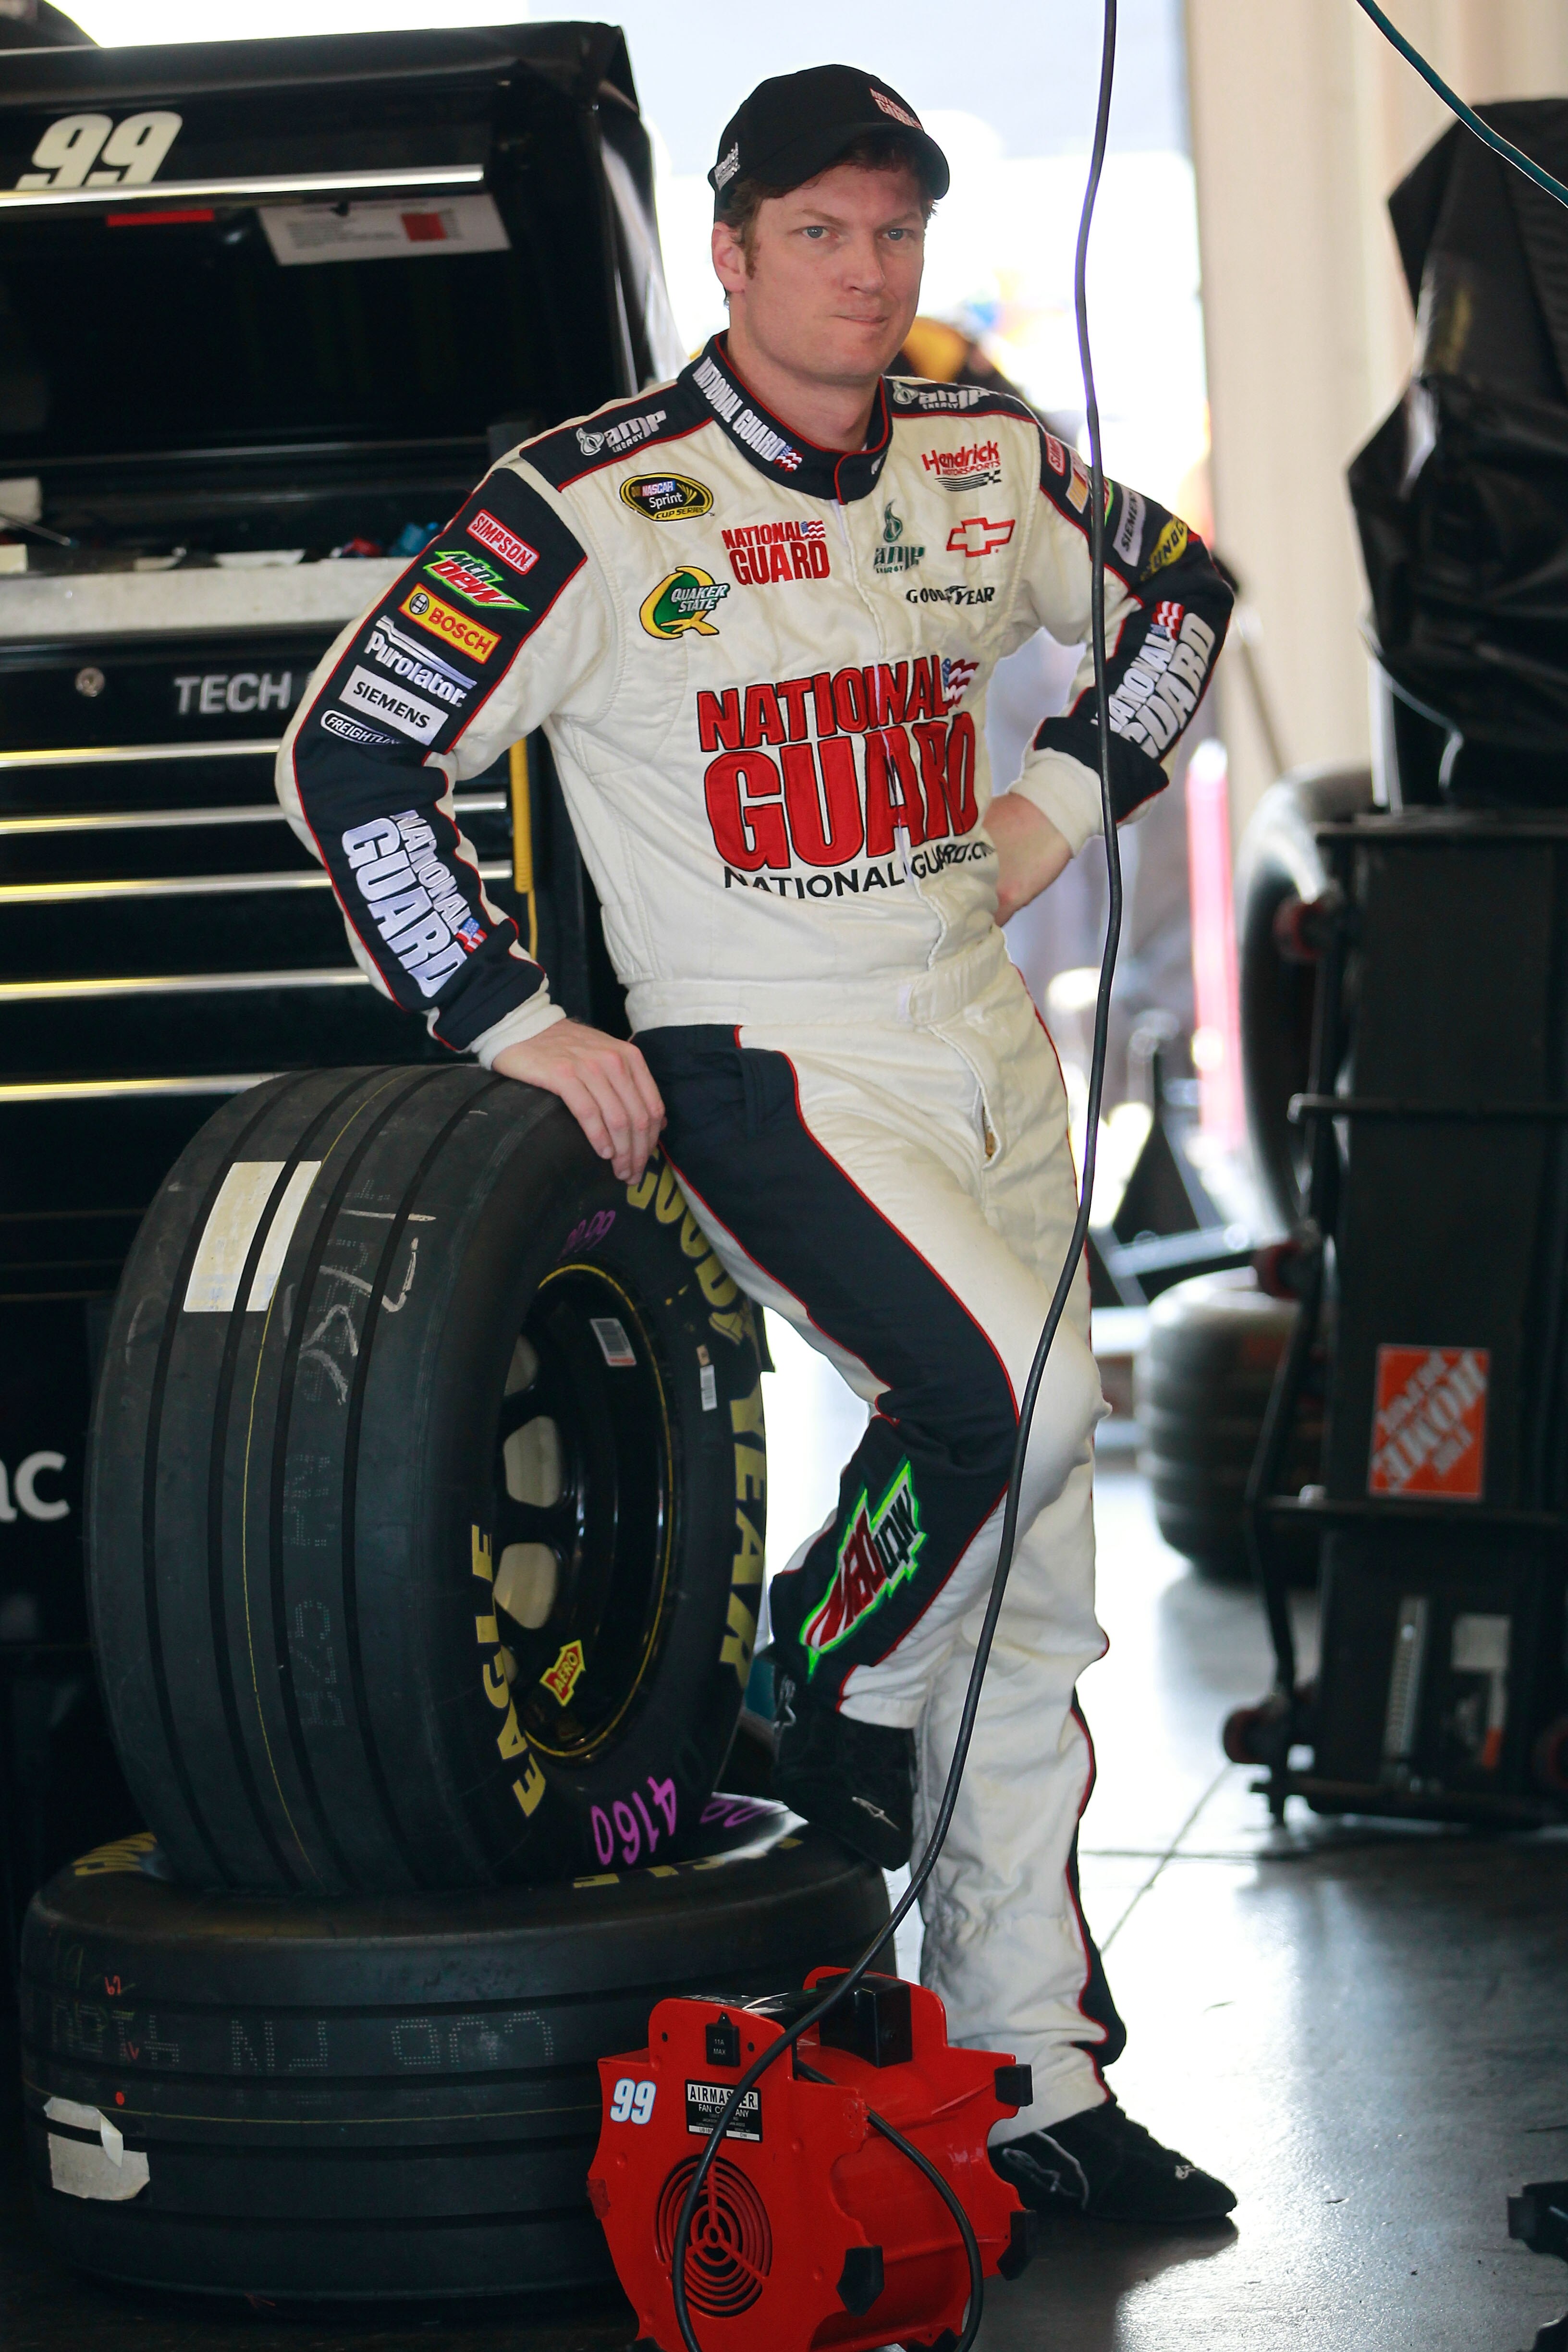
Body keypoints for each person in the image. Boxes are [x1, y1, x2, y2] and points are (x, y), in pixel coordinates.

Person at [278, 62, 1236, 2226]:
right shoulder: (590, 502)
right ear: (730, 251)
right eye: (822, 230)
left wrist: (1057, 807)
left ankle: (1034, 2079)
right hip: (762, 1057)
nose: (869, 273)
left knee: (1040, 1587)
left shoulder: (984, 455)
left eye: (894, 230)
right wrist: (510, 1014)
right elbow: (356, 753)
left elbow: (1181, 606)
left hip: (981, 1040)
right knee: (1010, 1410)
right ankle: (807, 1689)